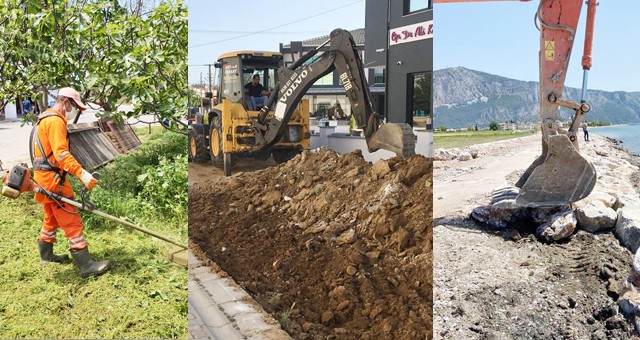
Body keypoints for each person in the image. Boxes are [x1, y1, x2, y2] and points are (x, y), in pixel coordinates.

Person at [31, 87, 109, 278]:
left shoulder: (44, 118)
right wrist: (82, 174)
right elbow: (62, 155)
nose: (74, 111)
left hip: (42, 179)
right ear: (66, 102)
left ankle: (46, 256)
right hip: (54, 182)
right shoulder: (56, 121)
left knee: (50, 218)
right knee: (71, 220)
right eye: (74, 106)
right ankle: (87, 266)